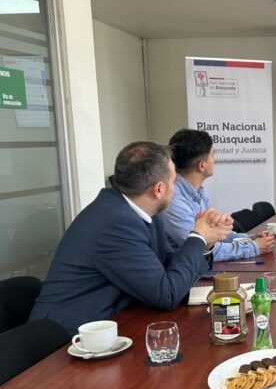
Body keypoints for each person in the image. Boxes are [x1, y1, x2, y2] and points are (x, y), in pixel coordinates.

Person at [29, 142, 233, 335]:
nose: (175, 188)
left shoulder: (142, 212)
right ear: (159, 189)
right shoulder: (116, 222)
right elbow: (167, 295)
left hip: (116, 321)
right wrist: (198, 237)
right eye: (173, 182)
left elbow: (166, 266)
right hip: (70, 338)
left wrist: (205, 243)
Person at [163, 129, 275, 260]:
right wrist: (254, 247)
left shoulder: (198, 191)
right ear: (202, 165)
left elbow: (216, 235)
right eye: (213, 155)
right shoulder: (173, 199)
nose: (214, 160)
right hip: (190, 269)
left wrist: (251, 238)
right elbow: (201, 248)